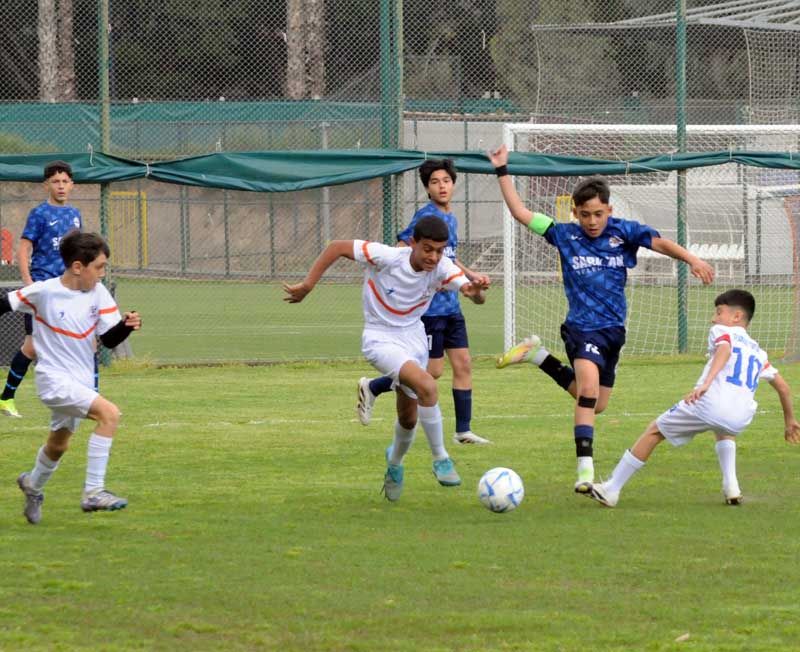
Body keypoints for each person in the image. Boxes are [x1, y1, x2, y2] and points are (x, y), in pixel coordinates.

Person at [488, 143, 715, 494]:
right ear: (575, 213)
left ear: (608, 209)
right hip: (581, 328)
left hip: (614, 330)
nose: (592, 221)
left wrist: (693, 260)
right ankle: (584, 470)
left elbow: (661, 243)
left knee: (596, 401)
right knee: (590, 391)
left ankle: (538, 356)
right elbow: (520, 212)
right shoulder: (564, 234)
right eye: (585, 214)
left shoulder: (623, 231)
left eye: (598, 214)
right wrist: (502, 170)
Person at [284, 216, 489, 501]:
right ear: (413, 243)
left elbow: (471, 293)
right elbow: (337, 247)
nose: (433, 257)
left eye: (440, 251)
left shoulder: (442, 267)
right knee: (428, 386)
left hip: (414, 338)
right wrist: (308, 284)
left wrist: (476, 291)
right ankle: (441, 457)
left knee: (408, 417)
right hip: (379, 338)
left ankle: (394, 464)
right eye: (427, 249)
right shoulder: (388, 257)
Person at [587, 289, 800, 508]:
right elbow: (783, 388)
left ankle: (611, 489)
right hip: (740, 418)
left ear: (736, 317)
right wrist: (790, 421)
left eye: (719, 312)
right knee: (723, 428)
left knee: (654, 430)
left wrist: (706, 384)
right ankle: (731, 487)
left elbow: (725, 350)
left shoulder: (721, 330)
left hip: (709, 405)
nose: (713, 318)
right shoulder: (758, 352)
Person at [0, 231, 141, 524]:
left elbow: (110, 339)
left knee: (58, 444)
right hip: (53, 380)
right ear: (78, 266)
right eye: (99, 267)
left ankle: (32, 485)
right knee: (110, 415)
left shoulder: (98, 293)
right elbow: (2, 304)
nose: (103, 274)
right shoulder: (44, 291)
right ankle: (93, 492)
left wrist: (126, 326)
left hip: (82, 381)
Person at [356, 159, 492, 445]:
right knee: (431, 373)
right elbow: (406, 252)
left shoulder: (451, 218)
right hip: (429, 309)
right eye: (434, 182)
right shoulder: (425, 217)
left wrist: (469, 275)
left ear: (453, 184)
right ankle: (374, 387)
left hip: (452, 304)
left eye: (446, 181)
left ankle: (463, 431)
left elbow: (448, 258)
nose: (441, 186)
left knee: (464, 363)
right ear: (427, 189)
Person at [0, 160, 83, 419]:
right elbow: (24, 249)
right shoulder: (39, 214)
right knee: (34, 346)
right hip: (43, 288)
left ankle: (7, 398)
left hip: (67, 289)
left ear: (72, 185)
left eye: (65, 181)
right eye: (55, 181)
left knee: (55, 342)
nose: (60, 186)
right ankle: (7, 397)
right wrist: (29, 282)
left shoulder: (74, 214)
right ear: (47, 184)